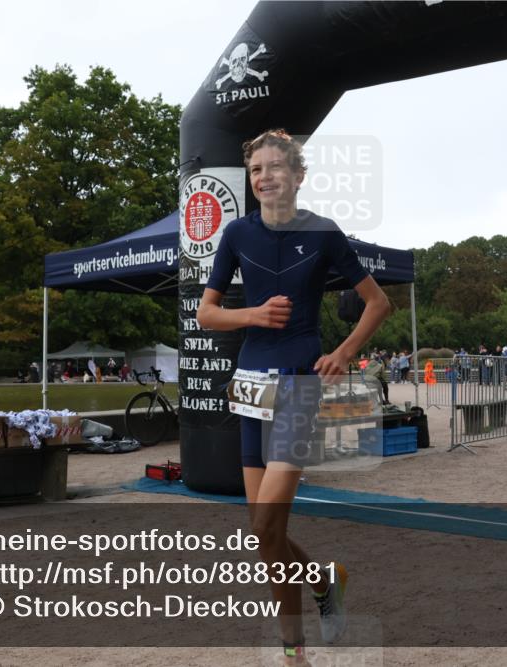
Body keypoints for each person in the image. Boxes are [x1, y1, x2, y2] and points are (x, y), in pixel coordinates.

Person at [196, 129, 390, 665]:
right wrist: (251, 315)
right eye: (256, 169)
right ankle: (298, 639)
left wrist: (346, 352)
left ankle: (321, 594)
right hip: (251, 383)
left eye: (275, 167)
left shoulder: (324, 233)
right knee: (267, 536)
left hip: (300, 381)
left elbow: (377, 303)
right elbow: (206, 313)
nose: (264, 177)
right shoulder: (236, 234)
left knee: (263, 525)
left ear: (298, 176)